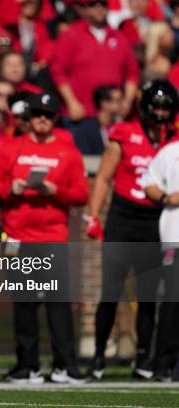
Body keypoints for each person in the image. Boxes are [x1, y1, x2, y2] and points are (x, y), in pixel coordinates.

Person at [0, 92, 89, 384]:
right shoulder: (9, 148)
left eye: (48, 114)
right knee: (25, 303)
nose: (42, 119)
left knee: (58, 304)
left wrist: (56, 191)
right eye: (37, 114)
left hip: (53, 235)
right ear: (28, 118)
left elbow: (81, 194)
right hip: (17, 236)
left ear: (56, 118)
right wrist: (11, 187)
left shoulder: (68, 152)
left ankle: (65, 367)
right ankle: (27, 367)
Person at [84, 80, 177, 381]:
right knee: (110, 292)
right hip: (124, 218)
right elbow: (103, 178)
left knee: (148, 295)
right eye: (158, 106)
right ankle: (99, 356)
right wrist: (94, 214)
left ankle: (143, 358)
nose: (162, 113)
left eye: (167, 107)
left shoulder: (173, 138)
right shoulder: (124, 132)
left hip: (155, 219)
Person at [142, 83, 179, 381]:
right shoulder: (170, 152)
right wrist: (167, 198)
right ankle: (163, 363)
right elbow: (149, 183)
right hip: (174, 234)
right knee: (172, 301)